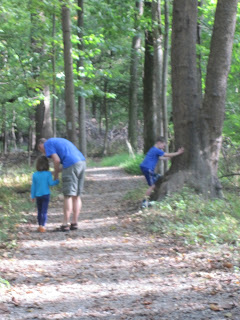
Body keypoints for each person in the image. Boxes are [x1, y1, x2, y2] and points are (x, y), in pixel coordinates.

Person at [37, 137, 86, 232]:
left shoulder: (48, 144)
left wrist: (55, 175)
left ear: (40, 145)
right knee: (76, 195)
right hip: (81, 162)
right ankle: (74, 222)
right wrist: (55, 171)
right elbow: (67, 165)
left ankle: (65, 224)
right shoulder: (57, 141)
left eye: (41, 150)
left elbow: (57, 160)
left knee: (68, 195)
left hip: (71, 164)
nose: (44, 153)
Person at [140, 137, 184, 208]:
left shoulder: (153, 150)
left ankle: (149, 199)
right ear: (159, 143)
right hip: (147, 168)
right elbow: (166, 154)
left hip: (145, 168)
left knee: (158, 177)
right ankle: (144, 202)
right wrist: (178, 153)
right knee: (152, 186)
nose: (163, 148)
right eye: (163, 146)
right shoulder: (156, 150)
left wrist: (171, 157)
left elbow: (163, 158)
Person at [31, 155, 59, 233]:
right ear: (47, 165)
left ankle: (40, 225)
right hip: (46, 195)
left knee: (39, 211)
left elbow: (33, 186)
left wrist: (32, 196)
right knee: (44, 211)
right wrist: (57, 181)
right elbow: (51, 183)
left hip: (38, 195)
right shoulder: (48, 174)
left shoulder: (35, 174)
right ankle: (43, 225)